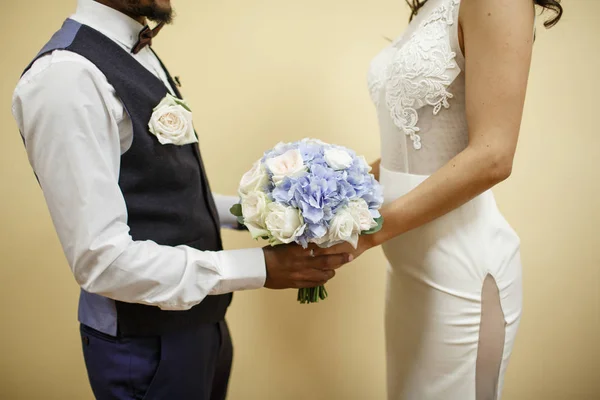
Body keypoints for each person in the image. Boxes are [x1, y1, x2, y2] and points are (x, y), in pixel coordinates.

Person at [11, 0, 352, 399]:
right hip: (146, 346)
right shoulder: (65, 78)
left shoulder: (131, 48)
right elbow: (101, 261)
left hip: (201, 323)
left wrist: (270, 211)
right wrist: (260, 268)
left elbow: (160, 193)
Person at [313, 0, 563, 398]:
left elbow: (492, 157)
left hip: (459, 271)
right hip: (408, 270)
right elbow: (413, 152)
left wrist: (367, 234)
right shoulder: (431, 6)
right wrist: (330, 193)